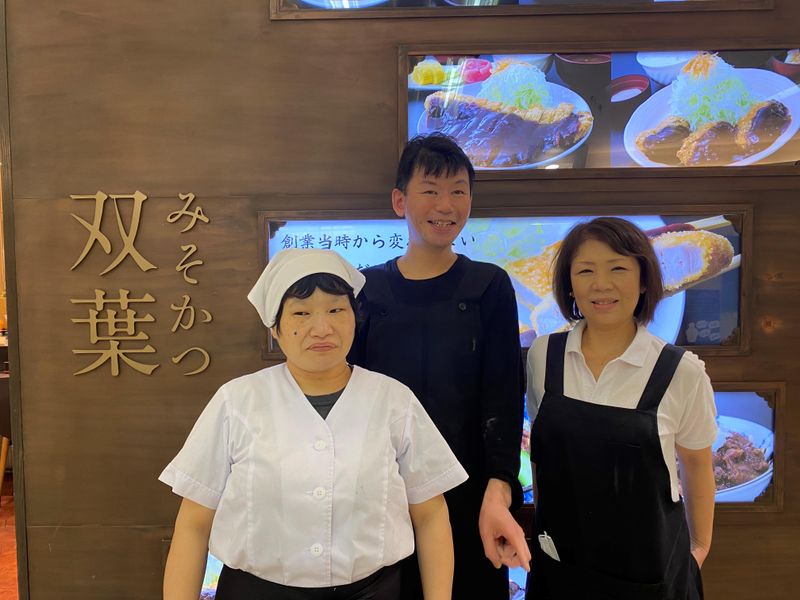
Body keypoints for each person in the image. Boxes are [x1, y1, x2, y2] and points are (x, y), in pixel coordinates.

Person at [160, 248, 469, 600]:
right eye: (301, 313)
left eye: (336, 310)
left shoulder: (394, 401)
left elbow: (430, 515)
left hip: (372, 592)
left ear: (355, 318)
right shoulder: (237, 402)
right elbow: (194, 525)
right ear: (275, 328)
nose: (322, 328)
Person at [350, 134, 530, 600]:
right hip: (381, 495)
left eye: (458, 191)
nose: (445, 205)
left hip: (469, 496)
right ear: (400, 200)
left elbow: (503, 396)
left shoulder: (489, 285)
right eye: (430, 190)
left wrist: (500, 487)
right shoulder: (365, 289)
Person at [525, 217, 717, 600]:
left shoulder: (680, 371)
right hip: (561, 568)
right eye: (585, 271)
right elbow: (542, 456)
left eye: (618, 269)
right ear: (569, 284)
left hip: (650, 575)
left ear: (643, 280)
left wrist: (698, 548)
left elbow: (697, 465)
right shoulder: (543, 355)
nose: (602, 284)